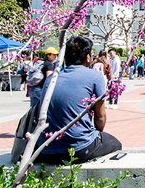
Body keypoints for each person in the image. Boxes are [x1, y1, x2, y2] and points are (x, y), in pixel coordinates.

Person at [35, 36, 122, 164]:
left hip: (47, 148)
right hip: (79, 149)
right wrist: (96, 134)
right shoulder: (95, 77)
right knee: (115, 144)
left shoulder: (51, 79)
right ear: (87, 57)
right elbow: (100, 118)